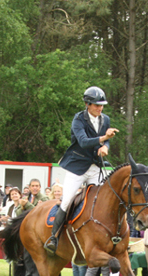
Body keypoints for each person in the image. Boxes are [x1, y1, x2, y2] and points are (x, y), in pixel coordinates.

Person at [44, 86, 118, 254]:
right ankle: (54, 237)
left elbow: (105, 141)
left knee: (102, 200)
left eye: (101, 105)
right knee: (67, 199)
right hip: (77, 167)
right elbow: (84, 142)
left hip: (95, 166)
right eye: (96, 105)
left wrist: (105, 146)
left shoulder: (105, 119)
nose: (100, 108)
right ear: (87, 104)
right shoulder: (78, 119)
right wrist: (104, 138)